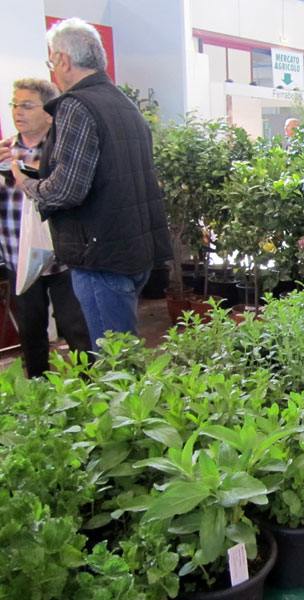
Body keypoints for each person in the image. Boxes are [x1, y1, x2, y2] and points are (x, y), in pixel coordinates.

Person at [10, 18, 172, 350]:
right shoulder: (124, 105)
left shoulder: (76, 105)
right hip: (132, 252)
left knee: (114, 363)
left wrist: (26, 182)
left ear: (63, 60)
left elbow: (65, 190)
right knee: (123, 356)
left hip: (101, 258)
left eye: (51, 63)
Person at [0, 78, 91, 377]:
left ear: (49, 113)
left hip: (63, 258)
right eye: (14, 104)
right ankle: (39, 392)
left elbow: (70, 193)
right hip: (18, 257)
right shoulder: (4, 151)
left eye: (27, 105)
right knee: (30, 333)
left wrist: (28, 175)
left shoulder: (63, 150)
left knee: (77, 330)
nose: (18, 111)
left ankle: (91, 390)